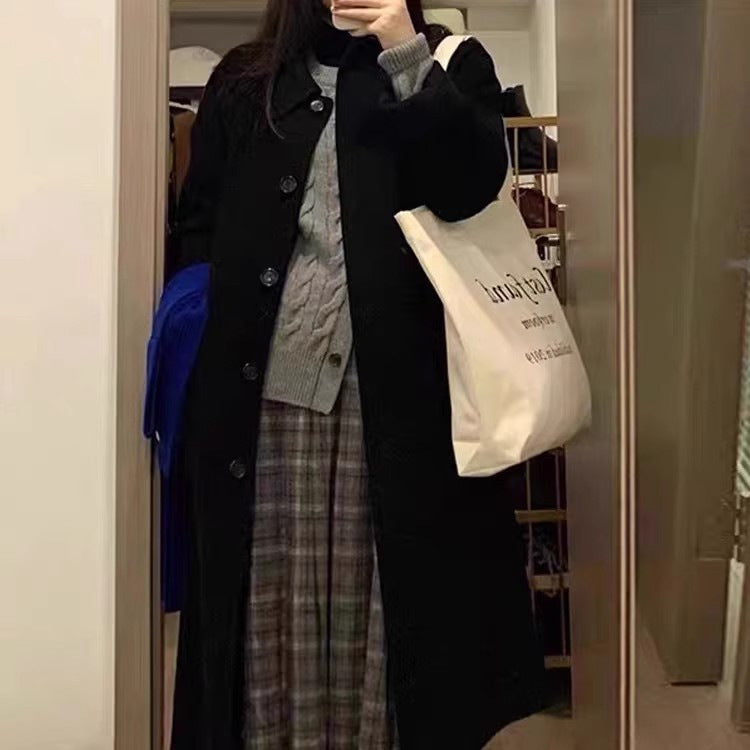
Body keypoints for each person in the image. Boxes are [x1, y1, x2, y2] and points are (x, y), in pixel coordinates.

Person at [170, 0, 547, 747]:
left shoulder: (448, 65)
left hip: (399, 420)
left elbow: (470, 187)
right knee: (268, 623)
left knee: (382, 631)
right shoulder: (246, 83)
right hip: (261, 412)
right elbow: (199, 230)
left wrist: (405, 52)